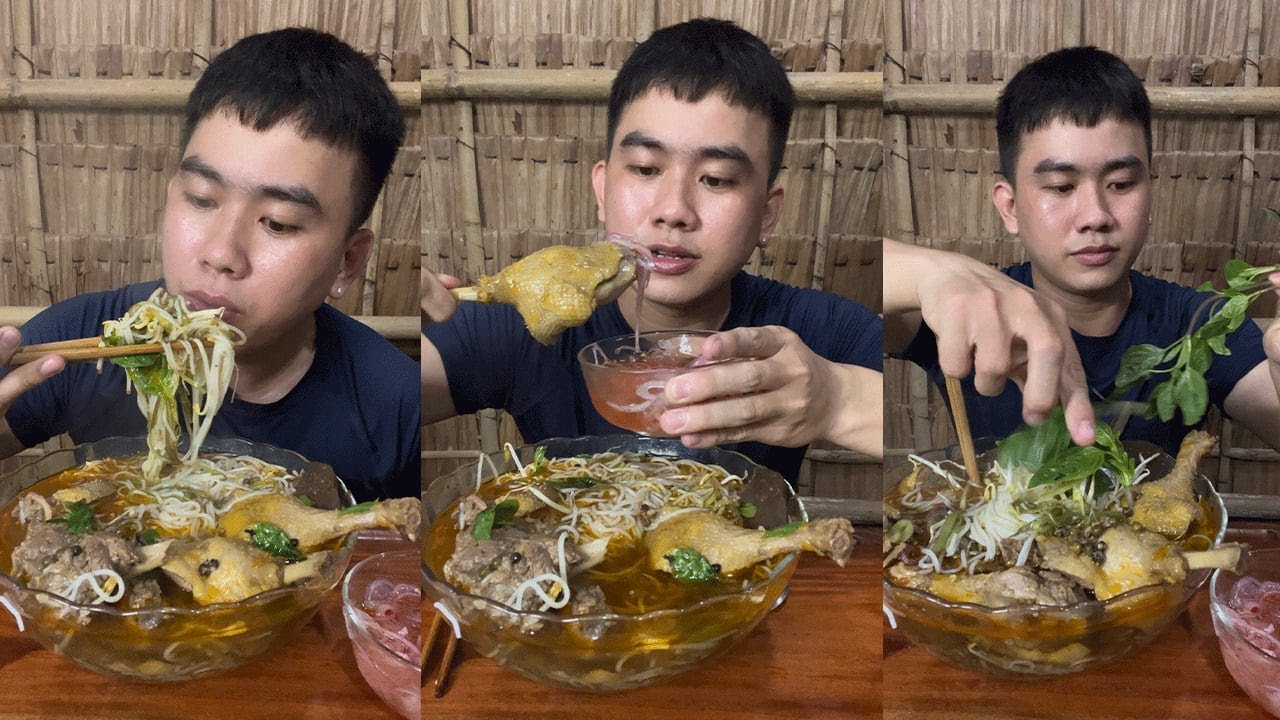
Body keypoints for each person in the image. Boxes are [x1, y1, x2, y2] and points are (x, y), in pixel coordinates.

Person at [422, 18, 884, 482]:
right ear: (602, 191)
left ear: (766, 213)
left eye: (717, 178)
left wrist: (836, 399)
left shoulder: (815, 329)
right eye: (645, 169)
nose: (673, 210)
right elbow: (387, 405)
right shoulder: (529, 320)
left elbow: (945, 398)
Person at [0, 27, 419, 502]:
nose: (220, 254)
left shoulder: (395, 403)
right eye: (201, 199)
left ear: (347, 262)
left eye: (278, 223)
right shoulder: (82, 343)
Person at [884, 45, 1280, 454]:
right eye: (1061, 187)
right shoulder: (968, 309)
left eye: (1122, 183)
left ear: (1150, 191)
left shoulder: (1198, 324)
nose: (1095, 215)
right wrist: (932, 274)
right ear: (1011, 207)